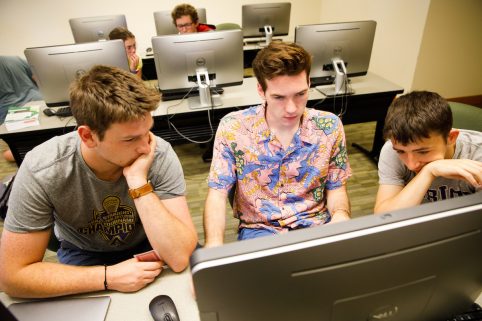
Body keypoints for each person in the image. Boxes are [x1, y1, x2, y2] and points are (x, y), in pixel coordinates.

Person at [0, 65, 198, 298]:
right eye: (130, 138)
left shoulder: (158, 152)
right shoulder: (43, 168)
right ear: (88, 136)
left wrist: (137, 181)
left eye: (148, 131)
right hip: (85, 253)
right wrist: (108, 277)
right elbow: (11, 277)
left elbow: (179, 256)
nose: (146, 147)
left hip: (150, 243)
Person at [203, 42, 352, 247]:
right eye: (279, 97)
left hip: (316, 224)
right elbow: (218, 194)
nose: (291, 108)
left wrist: (341, 216)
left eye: (300, 94)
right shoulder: (234, 128)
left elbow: (336, 188)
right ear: (261, 90)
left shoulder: (329, 127)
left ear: (309, 82)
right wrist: (213, 247)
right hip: (260, 229)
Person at [374, 90, 482, 214]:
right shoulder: (391, 150)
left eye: (423, 152)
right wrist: (429, 171)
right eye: (401, 152)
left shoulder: (478, 154)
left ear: (450, 138)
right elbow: (383, 216)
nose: (411, 165)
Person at [0, 56, 43, 162]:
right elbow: (38, 78)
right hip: (37, 102)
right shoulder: (15, 59)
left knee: (10, 155)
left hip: (12, 113)